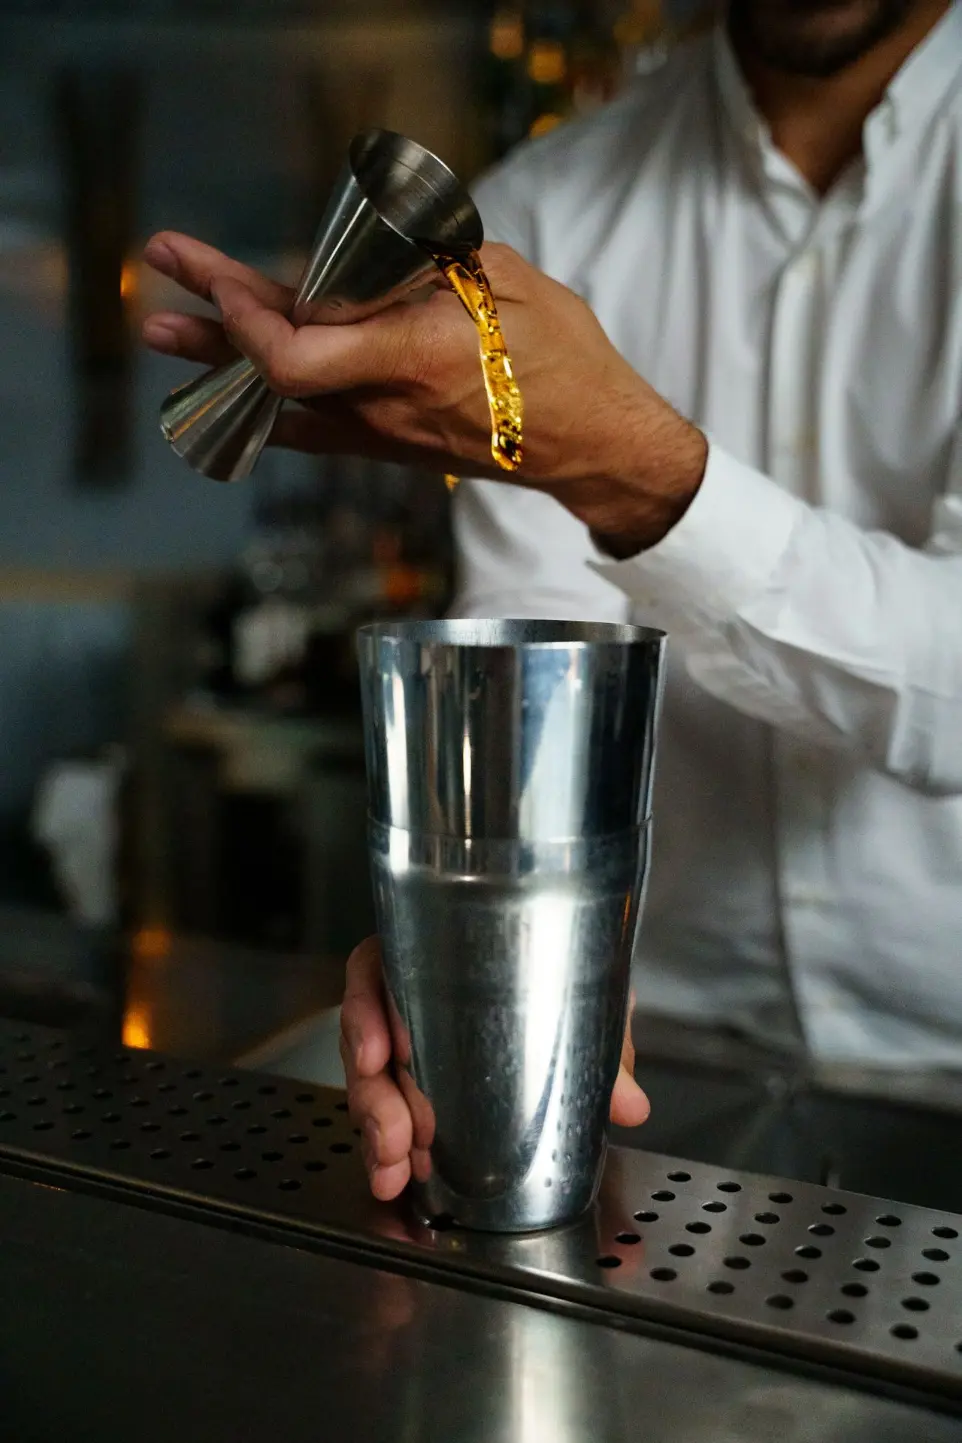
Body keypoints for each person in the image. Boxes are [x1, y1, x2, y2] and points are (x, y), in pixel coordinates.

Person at [143, 0, 962, 1203]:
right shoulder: (542, 214)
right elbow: (526, 690)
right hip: (641, 1066)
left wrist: (629, 466)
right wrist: (467, 948)